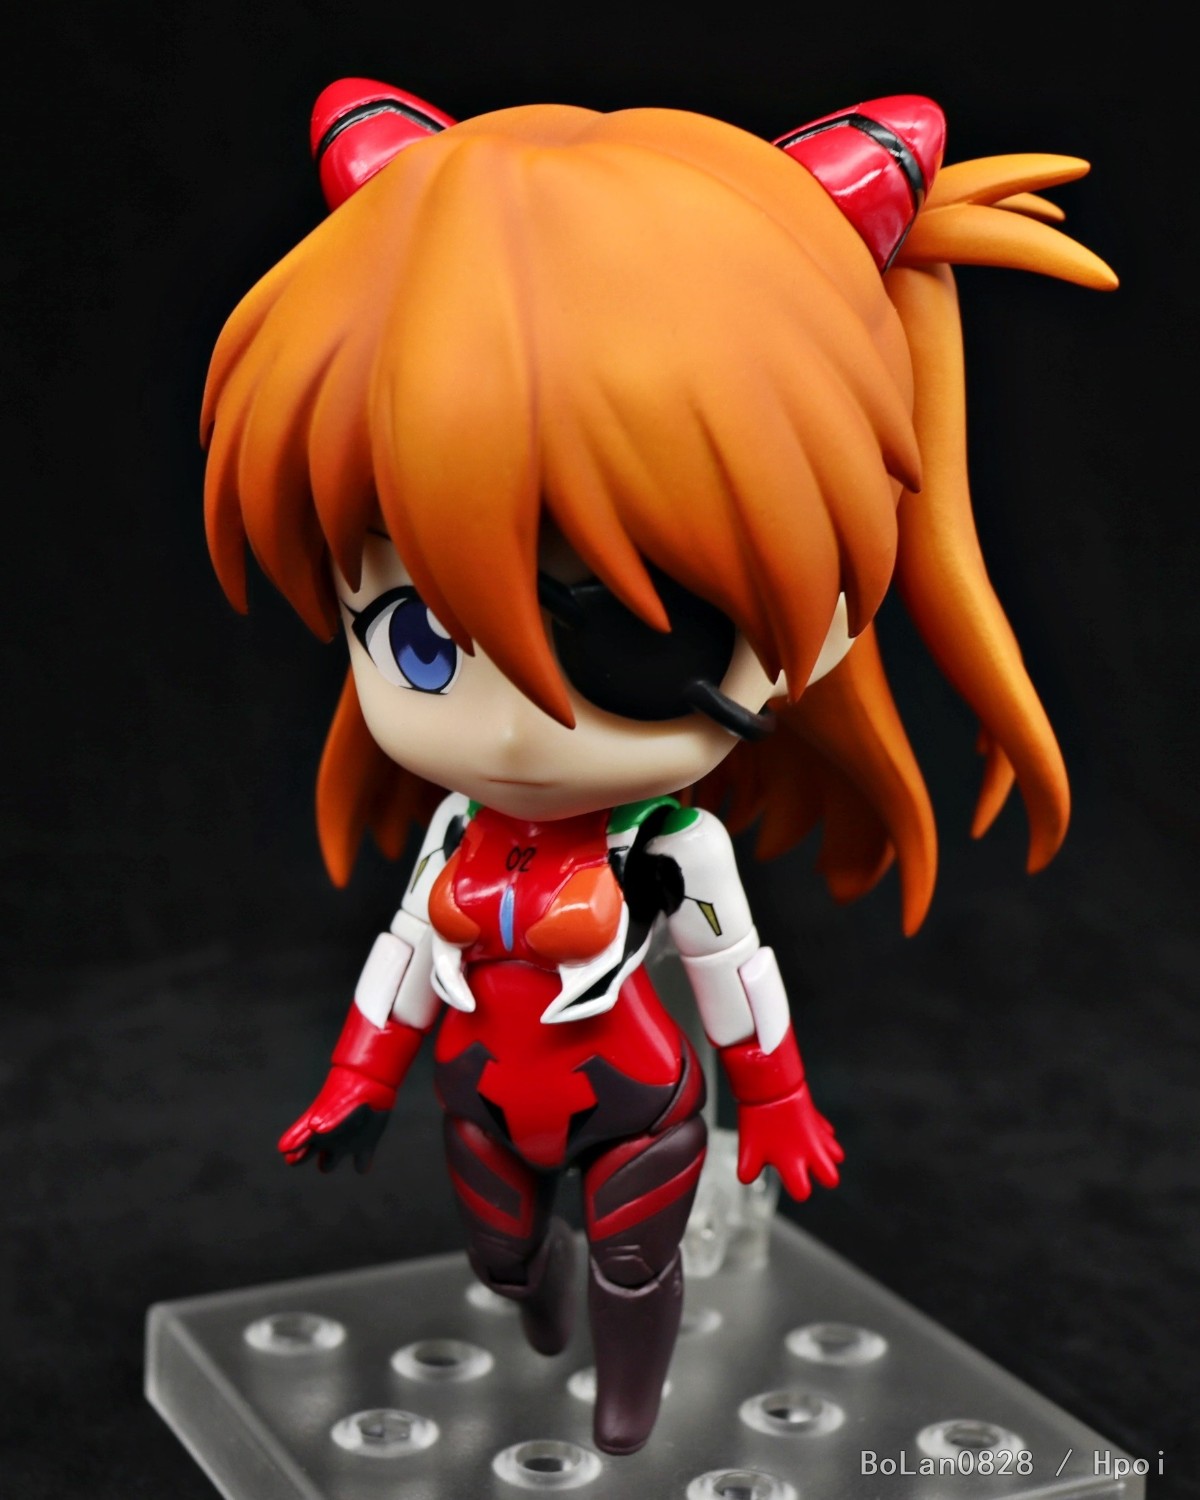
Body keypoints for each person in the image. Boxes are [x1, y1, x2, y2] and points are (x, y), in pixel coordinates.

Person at [201, 80, 1115, 1454]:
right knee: (506, 1262)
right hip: (481, 1098)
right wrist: (356, 1076)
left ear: (824, 615)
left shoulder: (674, 846)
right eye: (417, 639)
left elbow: (732, 966)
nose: (519, 728)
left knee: (634, 1257)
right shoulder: (456, 832)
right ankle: (538, 1300)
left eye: (636, 637)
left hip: (639, 1105)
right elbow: (404, 953)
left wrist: (779, 1100)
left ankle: (628, 1397)